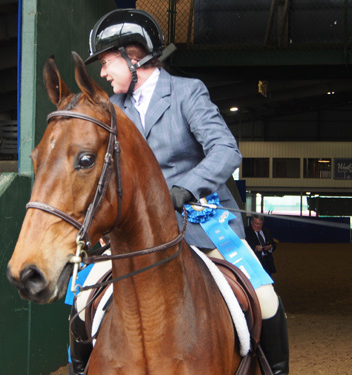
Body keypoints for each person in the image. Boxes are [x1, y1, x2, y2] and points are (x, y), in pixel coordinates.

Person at [68, 8, 289, 375]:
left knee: (266, 299)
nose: (103, 73)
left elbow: (225, 149)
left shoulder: (187, 93)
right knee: (81, 302)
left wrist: (186, 188)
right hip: (136, 236)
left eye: (107, 63)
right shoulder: (112, 110)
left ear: (132, 57)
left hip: (202, 224)